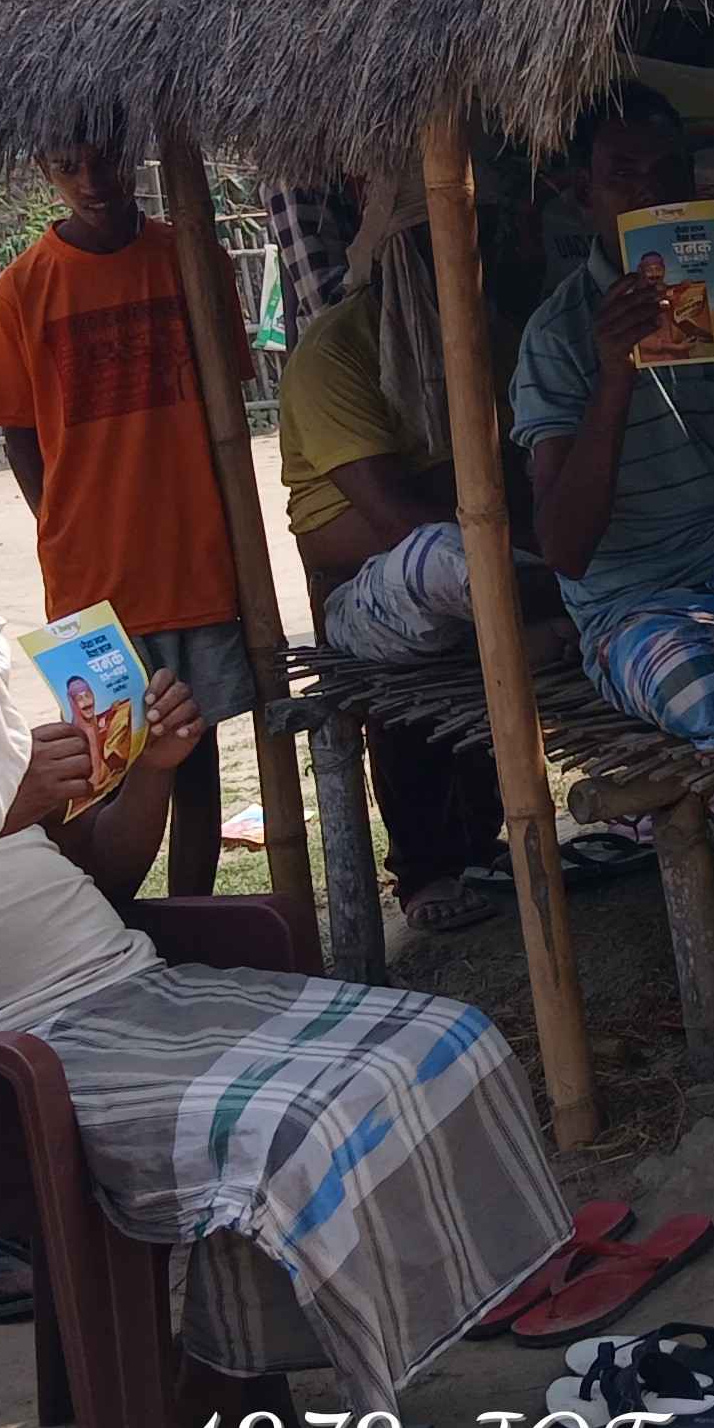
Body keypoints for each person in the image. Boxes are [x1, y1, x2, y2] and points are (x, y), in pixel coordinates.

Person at [0, 433, 573, 1428]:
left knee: (445, 1039)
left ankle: (328, 1391)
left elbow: (103, 882)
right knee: (278, 1133)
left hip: (127, 988)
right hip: (0, 1065)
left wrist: (148, 772)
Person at [513, 85, 714, 744]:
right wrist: (615, 376)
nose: (651, 193)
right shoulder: (557, 337)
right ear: (584, 197)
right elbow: (565, 549)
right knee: (701, 693)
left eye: (669, 172)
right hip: (643, 603)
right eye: (624, 176)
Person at [0, 134, 247, 895]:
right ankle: (109, 916)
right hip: (92, 579)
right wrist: (62, 527)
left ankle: (192, 916)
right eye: (68, 165)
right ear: (43, 169)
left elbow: (229, 395)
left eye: (105, 158)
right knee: (106, 763)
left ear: (135, 156)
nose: (91, 180)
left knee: (194, 758)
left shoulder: (191, 259)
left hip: (194, 560)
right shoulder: (20, 291)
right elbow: (17, 433)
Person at [278, 162, 511, 933]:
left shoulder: (486, 332)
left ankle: (484, 842)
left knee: (476, 572)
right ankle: (425, 869)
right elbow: (390, 516)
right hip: (367, 589)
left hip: (472, 561)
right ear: (398, 253)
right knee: (445, 564)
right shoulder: (335, 350)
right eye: (431, 245)